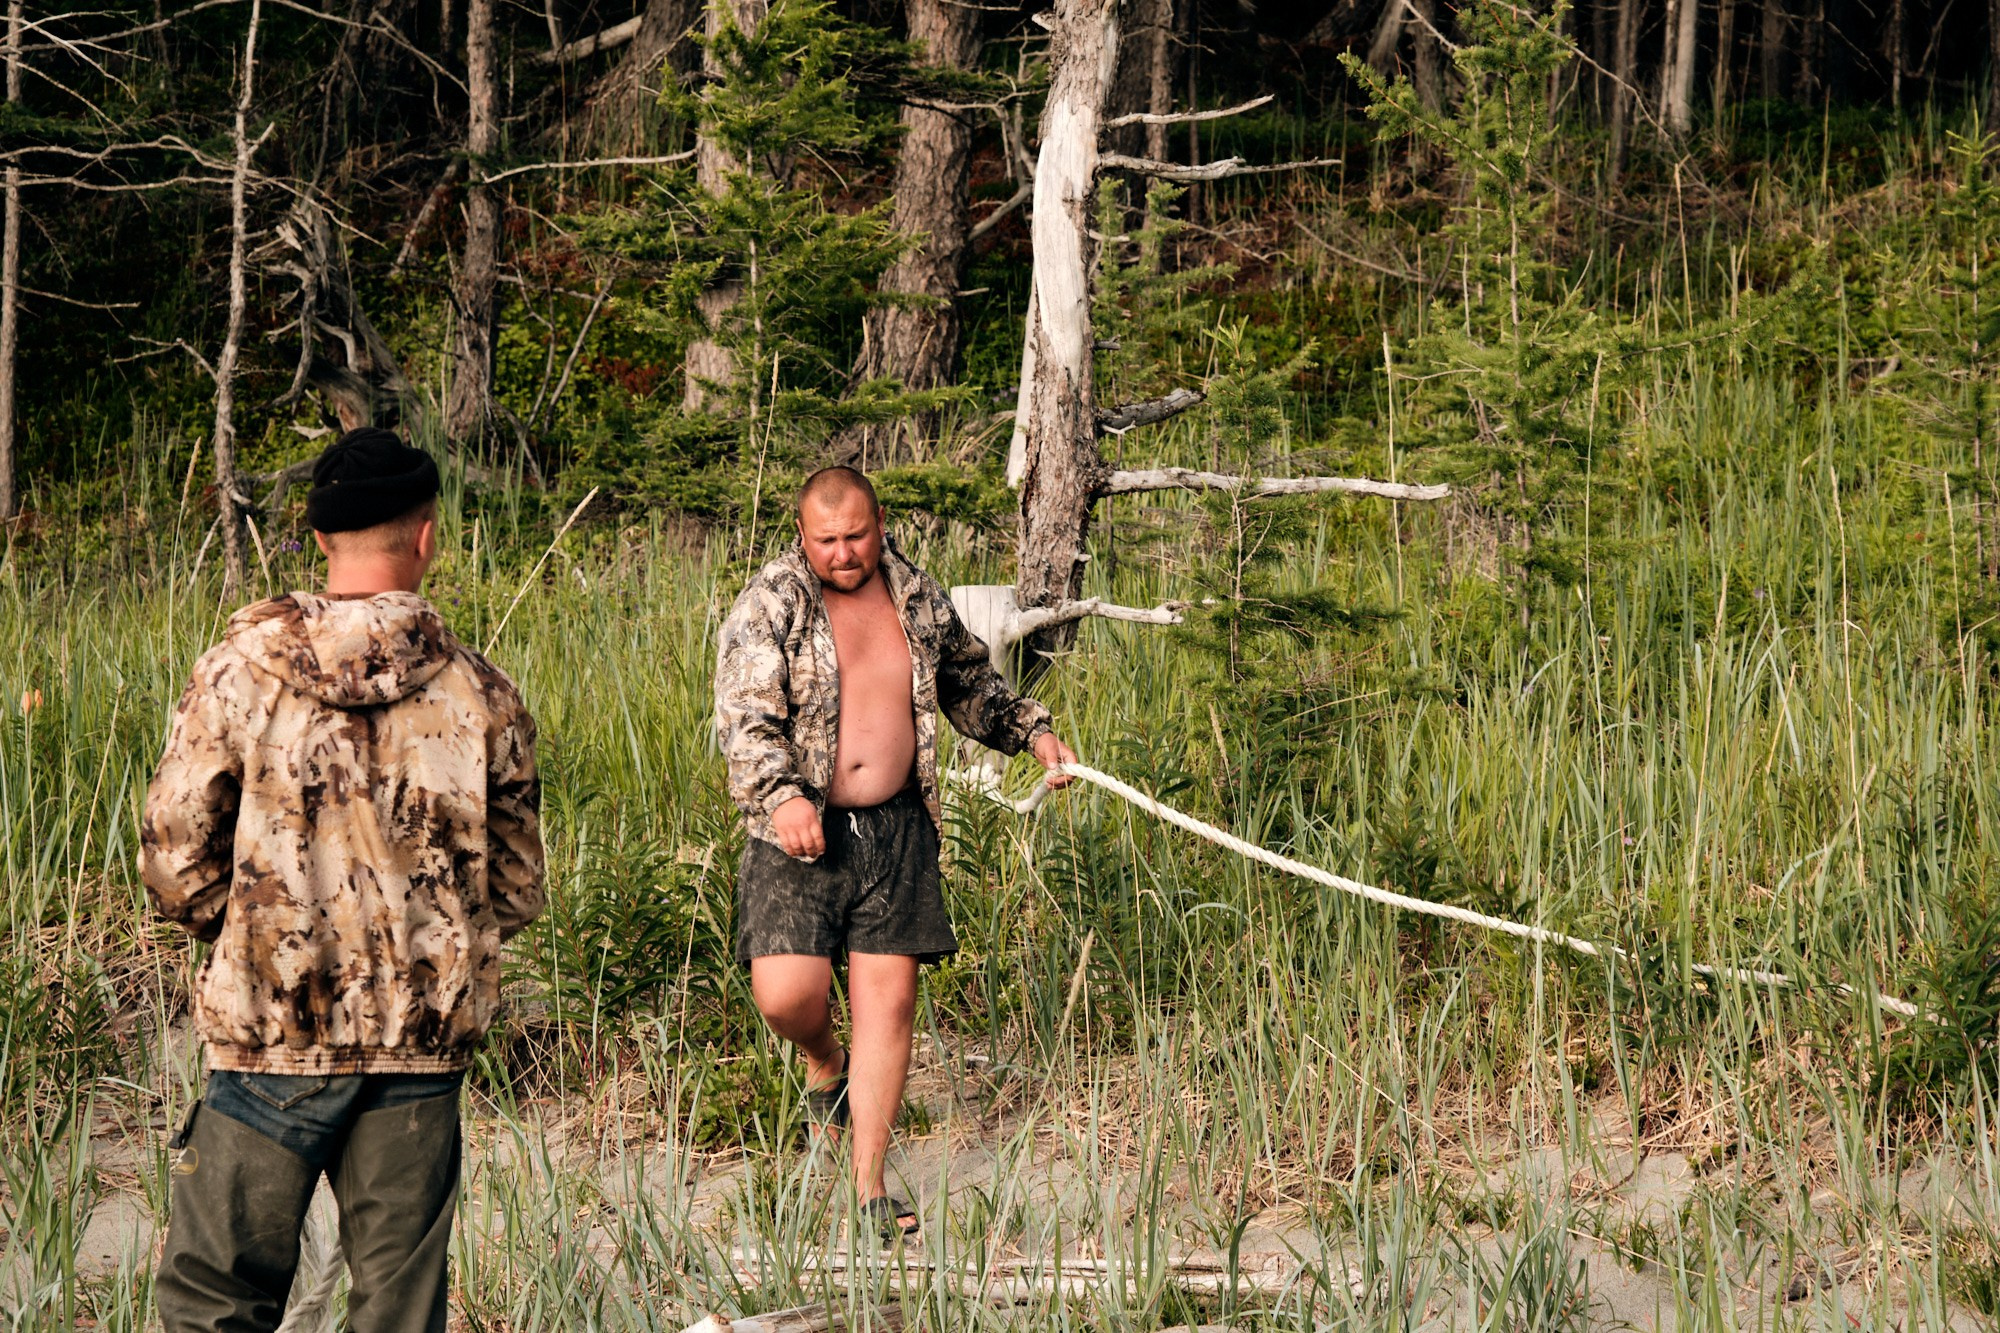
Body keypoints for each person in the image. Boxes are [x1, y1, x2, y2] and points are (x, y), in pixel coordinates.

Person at [143, 428, 545, 1333]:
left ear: (318, 539)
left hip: (270, 1033)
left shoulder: (238, 675)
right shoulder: (483, 692)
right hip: (421, 1045)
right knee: (399, 1315)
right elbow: (515, 887)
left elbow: (173, 856)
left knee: (215, 1303)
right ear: (428, 538)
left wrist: (246, 929)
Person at [715, 466, 1076, 1242]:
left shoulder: (914, 592)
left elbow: (968, 680)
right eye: (826, 540)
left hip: (899, 825)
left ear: (880, 523)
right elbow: (745, 721)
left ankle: (870, 1184)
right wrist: (783, 797)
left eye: (856, 536)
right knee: (786, 998)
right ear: (801, 532)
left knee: (890, 1001)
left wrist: (1032, 731)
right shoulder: (768, 602)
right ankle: (823, 1059)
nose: (843, 554)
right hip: (798, 829)